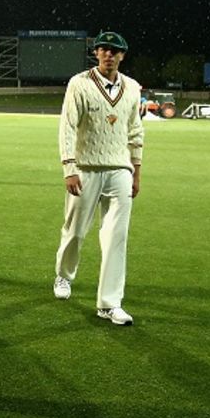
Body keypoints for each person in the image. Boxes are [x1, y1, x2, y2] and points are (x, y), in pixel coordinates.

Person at [53, 30, 144, 326]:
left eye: (113, 51)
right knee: (76, 230)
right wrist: (69, 167)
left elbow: (135, 130)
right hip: (86, 168)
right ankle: (64, 276)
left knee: (117, 237)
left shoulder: (131, 88)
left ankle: (109, 303)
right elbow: (67, 127)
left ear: (122, 56)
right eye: (103, 50)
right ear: (97, 54)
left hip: (119, 169)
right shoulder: (79, 84)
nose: (108, 55)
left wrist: (136, 168)